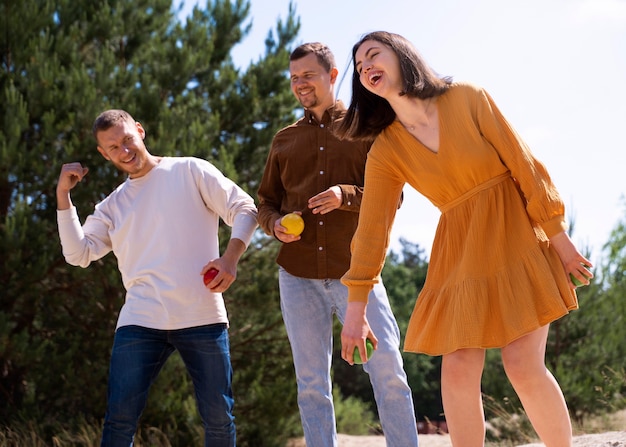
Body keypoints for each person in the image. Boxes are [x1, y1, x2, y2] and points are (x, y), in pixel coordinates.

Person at [337, 31, 593, 447]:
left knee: (523, 365)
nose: (365, 66)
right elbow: (372, 231)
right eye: (359, 63)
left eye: (373, 54)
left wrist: (560, 242)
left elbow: (524, 166)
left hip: (515, 235)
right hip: (460, 251)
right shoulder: (385, 150)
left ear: (402, 57)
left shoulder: (467, 98)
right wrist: (355, 309)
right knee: (455, 371)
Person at [56, 109, 258, 447]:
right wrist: (64, 196)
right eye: (113, 148)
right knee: (119, 421)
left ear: (140, 130)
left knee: (219, 419)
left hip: (202, 316)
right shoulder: (111, 206)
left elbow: (245, 208)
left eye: (127, 140)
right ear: (103, 154)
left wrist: (230, 259)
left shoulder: (190, 170)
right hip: (140, 321)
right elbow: (79, 254)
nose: (124, 151)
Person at [256, 42, 419, 447]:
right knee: (311, 383)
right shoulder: (283, 140)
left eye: (308, 76)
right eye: (294, 78)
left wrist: (345, 195)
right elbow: (265, 204)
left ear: (331, 76)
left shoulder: (366, 128)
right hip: (297, 274)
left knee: (388, 372)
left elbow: (393, 196)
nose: (300, 85)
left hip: (357, 272)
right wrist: (275, 224)